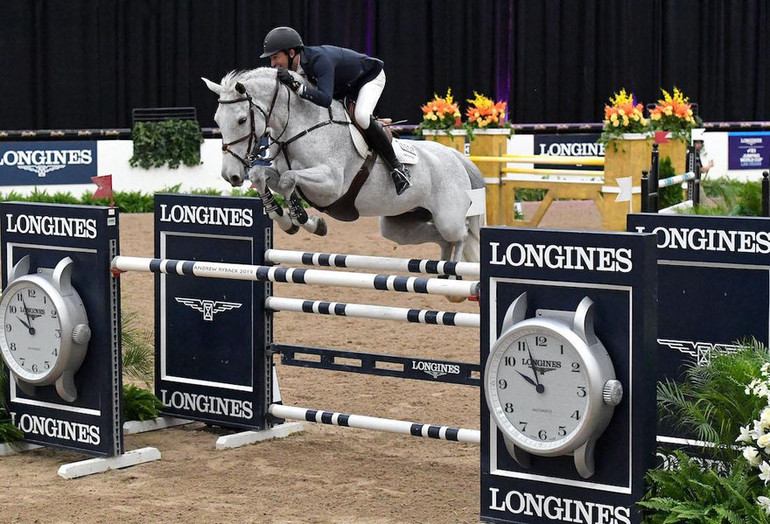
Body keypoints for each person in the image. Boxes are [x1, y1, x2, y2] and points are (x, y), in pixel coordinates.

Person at [260, 26, 411, 195]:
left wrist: (295, 85)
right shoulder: (295, 69)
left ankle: (398, 169)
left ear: (292, 53)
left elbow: (324, 100)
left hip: (369, 78)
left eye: (275, 57)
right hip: (345, 87)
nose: (272, 64)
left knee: (361, 116)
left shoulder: (319, 60)